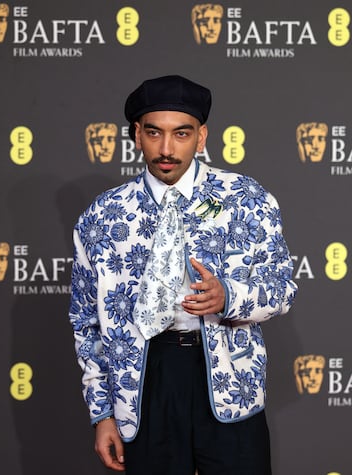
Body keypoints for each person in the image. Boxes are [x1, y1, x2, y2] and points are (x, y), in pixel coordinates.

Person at [69, 75, 298, 475]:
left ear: (202, 136)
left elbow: (282, 288)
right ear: (137, 136)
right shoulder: (103, 216)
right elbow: (85, 321)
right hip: (142, 380)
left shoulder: (246, 199)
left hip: (229, 374)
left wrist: (230, 296)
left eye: (182, 134)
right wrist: (102, 412)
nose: (167, 149)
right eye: (154, 133)